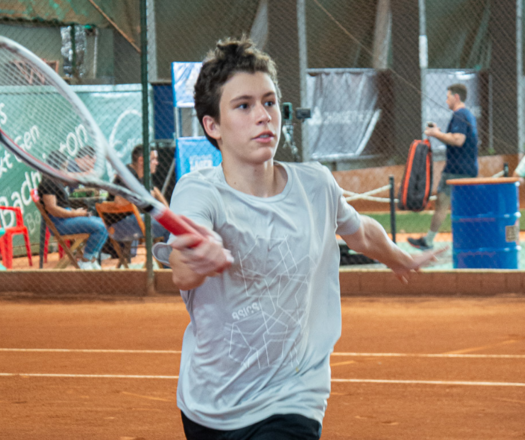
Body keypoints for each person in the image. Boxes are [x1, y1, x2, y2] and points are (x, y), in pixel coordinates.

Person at [152, 37, 444, 440]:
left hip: (294, 396)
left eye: (270, 102)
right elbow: (182, 268)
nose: (263, 116)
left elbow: (360, 231)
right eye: (244, 105)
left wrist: (398, 257)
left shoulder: (316, 184)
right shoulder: (197, 191)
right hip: (211, 405)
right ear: (212, 126)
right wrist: (196, 260)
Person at [408, 83, 479, 250]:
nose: (446, 101)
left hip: (456, 171)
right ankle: (470, 239)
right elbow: (455, 137)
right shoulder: (467, 114)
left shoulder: (460, 114)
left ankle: (429, 241)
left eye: (448, 97)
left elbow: (458, 140)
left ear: (456, 97)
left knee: (442, 204)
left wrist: (435, 133)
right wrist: (439, 133)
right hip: (466, 168)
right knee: (465, 206)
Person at [37, 151, 108, 270]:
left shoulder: (56, 180)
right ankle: (85, 261)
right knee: (100, 227)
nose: (66, 171)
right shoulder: (48, 182)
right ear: (56, 167)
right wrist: (75, 213)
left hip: (67, 218)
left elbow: (71, 179)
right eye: (64, 167)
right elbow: (53, 209)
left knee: (103, 224)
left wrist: (75, 212)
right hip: (60, 223)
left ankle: (91, 259)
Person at [106, 146, 171, 258]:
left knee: (170, 221)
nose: (157, 163)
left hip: (132, 221)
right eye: (153, 159)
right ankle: (168, 266)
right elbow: (119, 201)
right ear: (141, 160)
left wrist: (169, 213)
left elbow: (155, 191)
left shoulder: (143, 176)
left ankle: (168, 264)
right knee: (169, 226)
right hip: (118, 225)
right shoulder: (127, 174)